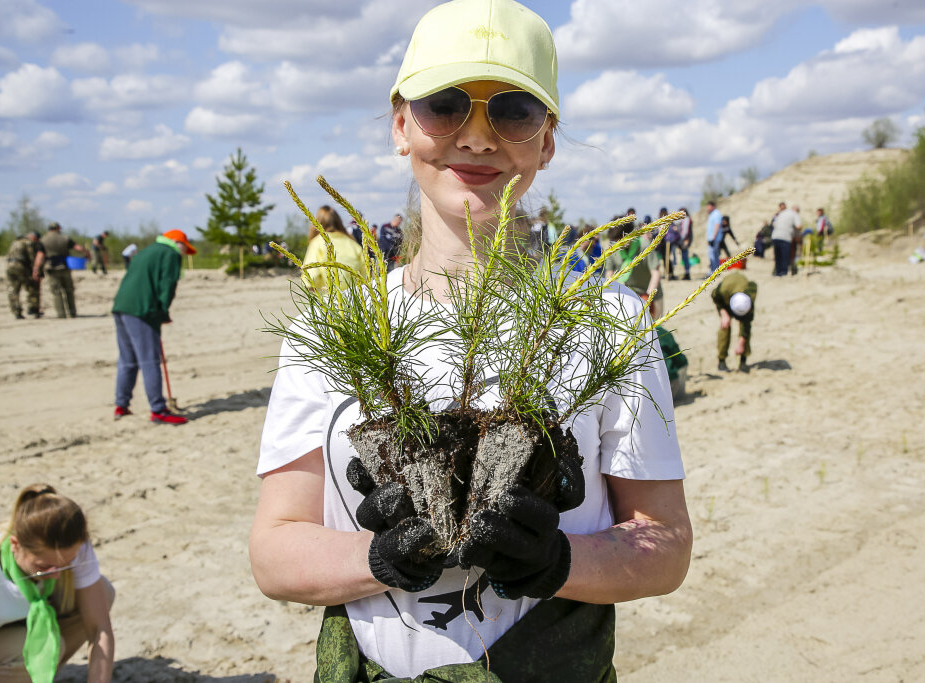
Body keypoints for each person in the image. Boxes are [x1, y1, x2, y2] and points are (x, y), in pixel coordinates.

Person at [250, 1, 692, 679]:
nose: (478, 138)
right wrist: (376, 558)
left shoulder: (610, 318)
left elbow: (664, 544)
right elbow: (274, 550)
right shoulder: (328, 329)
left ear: (547, 139)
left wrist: (558, 561)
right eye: (445, 105)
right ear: (402, 125)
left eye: (513, 110)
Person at [0, 484, 115, 683]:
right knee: (22, 648)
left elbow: (98, 628)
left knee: (103, 591)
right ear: (15, 545)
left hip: (16, 621)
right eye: (44, 566)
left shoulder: (71, 545)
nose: (56, 575)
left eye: (65, 565)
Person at [111, 229, 196, 425]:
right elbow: (167, 284)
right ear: (178, 243)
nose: (184, 253)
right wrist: (162, 312)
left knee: (127, 359)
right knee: (150, 360)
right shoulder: (171, 253)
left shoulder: (147, 250)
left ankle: (121, 405)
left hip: (121, 307)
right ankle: (158, 409)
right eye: (185, 248)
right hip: (143, 310)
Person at [302, 205, 365, 290]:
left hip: (328, 298)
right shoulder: (354, 244)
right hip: (354, 299)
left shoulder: (317, 243)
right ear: (338, 221)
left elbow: (309, 277)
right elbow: (365, 277)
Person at [40, 222, 88, 318]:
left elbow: (40, 255)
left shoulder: (43, 240)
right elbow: (78, 248)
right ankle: (72, 312)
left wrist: (37, 268)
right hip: (65, 267)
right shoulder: (65, 238)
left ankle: (61, 314)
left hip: (52, 268)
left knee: (57, 292)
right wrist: (86, 253)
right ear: (58, 228)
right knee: (69, 290)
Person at [712, 271, 757, 372]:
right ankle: (721, 360)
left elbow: (747, 325)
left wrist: (741, 343)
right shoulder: (722, 291)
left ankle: (743, 360)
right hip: (726, 301)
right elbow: (714, 296)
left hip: (741, 299)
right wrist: (723, 313)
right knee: (725, 326)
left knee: (745, 329)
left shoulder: (749, 297)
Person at [6, 231, 45, 320]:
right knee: (32, 286)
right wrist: (35, 271)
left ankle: (16, 312)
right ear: (34, 238)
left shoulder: (15, 242)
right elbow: (32, 258)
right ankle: (33, 309)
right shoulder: (28, 243)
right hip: (21, 266)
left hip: (9, 266)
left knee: (13, 290)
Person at [770, 202, 800, 277]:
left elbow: (774, 224)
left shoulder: (781, 214)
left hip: (775, 236)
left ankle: (777, 272)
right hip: (785, 237)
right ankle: (783, 273)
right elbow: (799, 226)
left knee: (778, 256)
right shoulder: (794, 214)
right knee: (784, 256)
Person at [704, 200, 723, 276]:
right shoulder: (712, 214)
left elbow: (717, 225)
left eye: (708, 207)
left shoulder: (716, 214)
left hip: (714, 239)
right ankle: (715, 270)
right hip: (711, 238)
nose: (707, 209)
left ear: (712, 206)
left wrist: (713, 237)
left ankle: (714, 271)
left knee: (713, 255)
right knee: (712, 255)